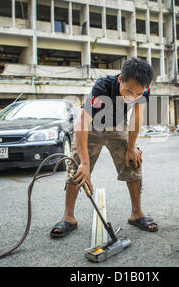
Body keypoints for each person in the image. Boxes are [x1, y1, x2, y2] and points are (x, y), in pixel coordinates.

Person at [50, 57, 158, 238]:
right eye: (128, 91)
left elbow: (136, 118)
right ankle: (68, 217)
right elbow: (81, 122)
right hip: (93, 124)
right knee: (76, 165)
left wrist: (131, 147)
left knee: (134, 159)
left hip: (117, 125)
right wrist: (84, 163)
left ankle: (137, 213)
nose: (131, 97)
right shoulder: (103, 86)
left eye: (137, 94)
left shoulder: (143, 89)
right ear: (120, 79)